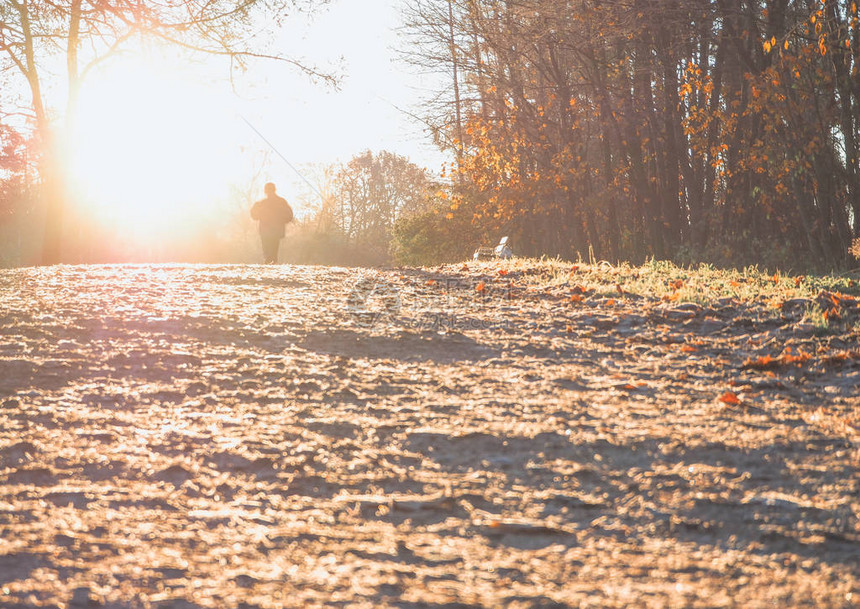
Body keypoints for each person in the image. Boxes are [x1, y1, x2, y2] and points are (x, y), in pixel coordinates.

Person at [250, 182, 293, 264]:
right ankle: (272, 261)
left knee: (267, 247)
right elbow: (289, 215)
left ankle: (269, 260)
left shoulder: (262, 203)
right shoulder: (281, 201)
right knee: (274, 246)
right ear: (275, 190)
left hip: (265, 230)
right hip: (276, 230)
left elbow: (254, 215)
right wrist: (281, 220)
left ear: (265, 191)